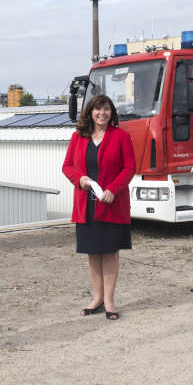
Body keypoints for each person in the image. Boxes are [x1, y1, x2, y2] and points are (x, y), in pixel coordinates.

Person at [62, 94, 135, 320]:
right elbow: (67, 166)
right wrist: (80, 180)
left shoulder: (121, 136)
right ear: (90, 112)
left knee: (110, 252)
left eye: (106, 109)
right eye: (97, 109)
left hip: (112, 204)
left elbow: (129, 167)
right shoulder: (78, 137)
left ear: (111, 113)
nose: (102, 113)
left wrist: (113, 189)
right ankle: (97, 298)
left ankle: (110, 301)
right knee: (93, 252)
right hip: (87, 206)